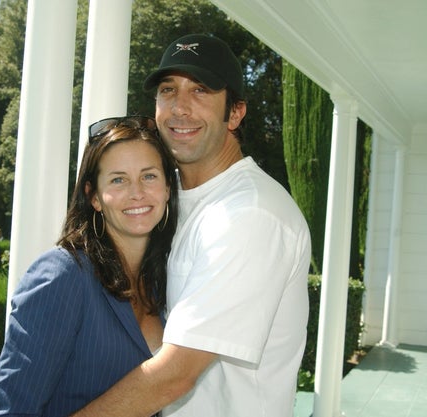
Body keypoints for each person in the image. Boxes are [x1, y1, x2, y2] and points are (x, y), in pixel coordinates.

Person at [72, 34, 311, 417]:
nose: (179, 108)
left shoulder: (250, 214)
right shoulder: (165, 199)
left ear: (235, 113)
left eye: (200, 90)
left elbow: (176, 375)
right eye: (168, 90)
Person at [0, 116, 179, 417]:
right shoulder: (63, 274)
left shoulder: (166, 278)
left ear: (167, 188)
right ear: (94, 197)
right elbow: (12, 411)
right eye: (118, 180)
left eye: (149, 176)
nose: (137, 192)